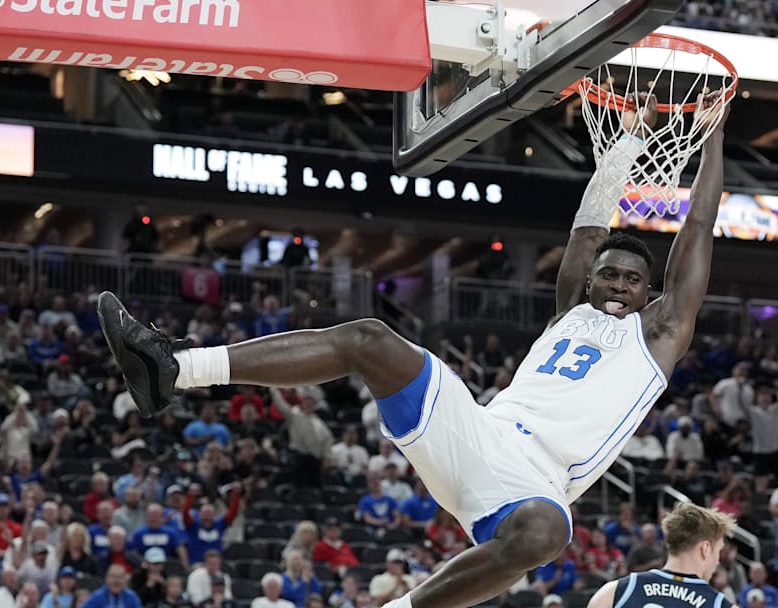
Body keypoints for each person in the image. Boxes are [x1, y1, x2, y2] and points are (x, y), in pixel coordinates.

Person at [99, 92, 731, 608]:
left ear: (650, 292)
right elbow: (588, 230)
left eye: (632, 280)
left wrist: (711, 135)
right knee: (368, 338)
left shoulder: (659, 334)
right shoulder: (570, 309)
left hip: (534, 484)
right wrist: (618, 155)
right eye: (609, 275)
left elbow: (696, 228)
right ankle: (174, 368)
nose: (619, 285)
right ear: (589, 279)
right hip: (478, 432)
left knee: (548, 530)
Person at [586, 502, 736, 608]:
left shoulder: (613, 592)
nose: (717, 561)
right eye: (718, 551)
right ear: (705, 548)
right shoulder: (718, 604)